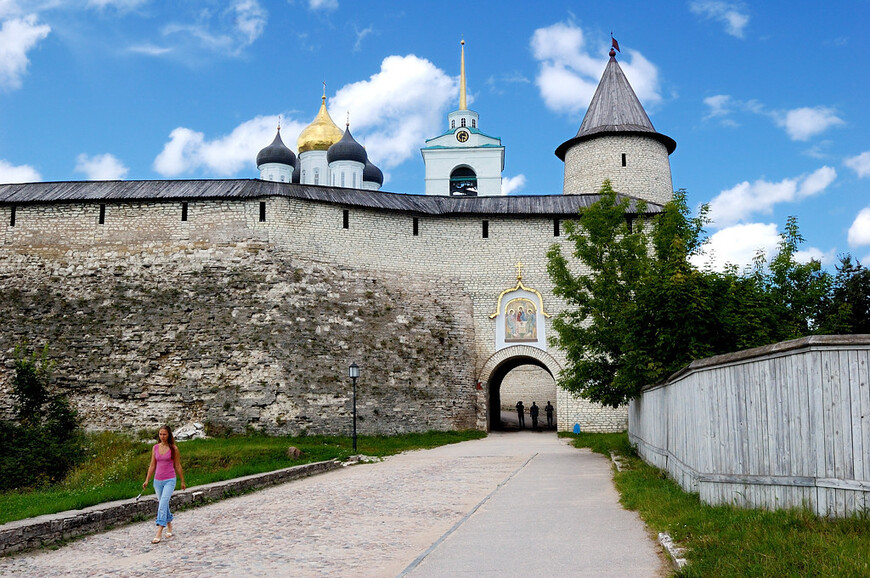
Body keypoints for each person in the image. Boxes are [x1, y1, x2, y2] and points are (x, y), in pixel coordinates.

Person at [143, 425, 186, 544]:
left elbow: (177, 465)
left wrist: (182, 480)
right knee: (164, 503)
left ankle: (159, 532)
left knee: (162, 503)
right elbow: (152, 465)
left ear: (169, 435)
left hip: (170, 480)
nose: (162, 436)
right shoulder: (155, 448)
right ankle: (170, 526)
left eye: (164, 434)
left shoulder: (174, 449)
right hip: (158, 481)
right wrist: (147, 480)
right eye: (160, 434)